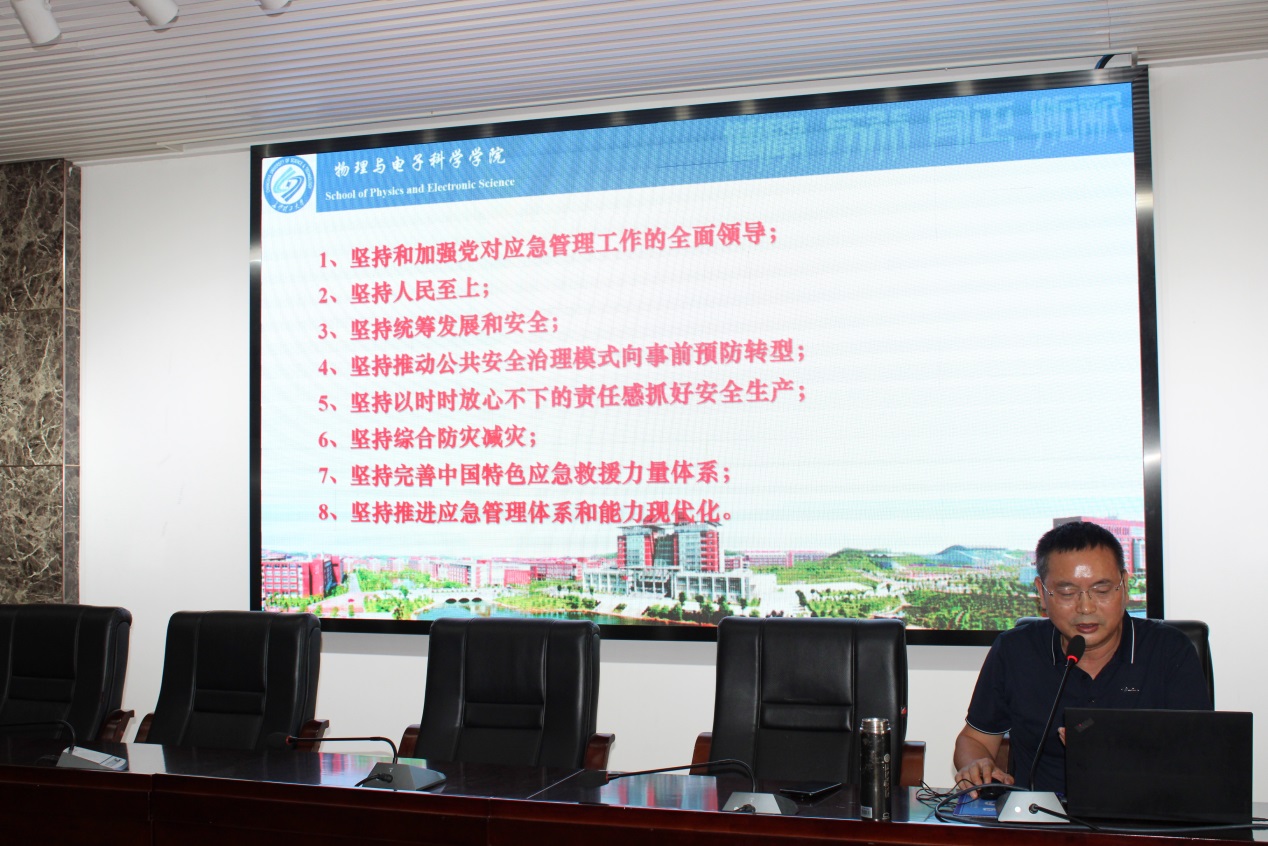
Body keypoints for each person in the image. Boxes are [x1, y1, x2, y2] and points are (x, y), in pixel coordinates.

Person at [952, 520, 1210, 794]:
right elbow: (974, 740)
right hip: (1040, 814)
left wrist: (1118, 753)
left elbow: (1200, 754)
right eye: (1067, 592)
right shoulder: (1015, 650)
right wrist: (976, 764)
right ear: (1042, 593)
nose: (1086, 607)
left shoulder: (1169, 650)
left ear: (1124, 586)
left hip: (1145, 811)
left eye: (1101, 590)